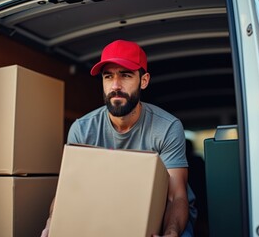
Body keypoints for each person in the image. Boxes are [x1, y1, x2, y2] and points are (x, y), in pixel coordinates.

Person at [41, 39, 196, 237]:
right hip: (108, 210)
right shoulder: (82, 129)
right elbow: (68, 191)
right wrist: (50, 225)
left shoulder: (167, 127)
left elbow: (176, 196)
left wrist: (171, 232)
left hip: (161, 213)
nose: (115, 85)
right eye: (108, 76)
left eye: (125, 75)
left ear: (144, 80)